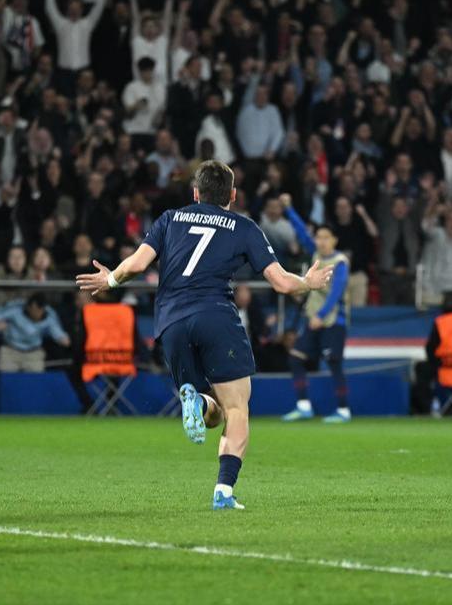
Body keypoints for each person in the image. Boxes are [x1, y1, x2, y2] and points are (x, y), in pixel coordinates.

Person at [76, 160, 331, 510]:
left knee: (213, 411)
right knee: (238, 407)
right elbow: (282, 283)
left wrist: (109, 280)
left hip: (170, 324)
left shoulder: (169, 219)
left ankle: (196, 401)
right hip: (216, 317)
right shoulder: (243, 227)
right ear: (233, 195)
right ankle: (223, 492)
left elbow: (136, 265)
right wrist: (309, 282)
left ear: (196, 194)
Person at [278, 194, 352, 424]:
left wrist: (320, 316)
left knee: (334, 363)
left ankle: (343, 410)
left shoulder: (340, 262)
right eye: (318, 237)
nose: (320, 241)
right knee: (296, 358)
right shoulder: (316, 254)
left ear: (335, 240)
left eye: (325, 237)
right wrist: (289, 209)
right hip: (315, 319)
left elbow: (337, 293)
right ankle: (303, 406)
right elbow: (301, 232)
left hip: (333, 321)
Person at [0, 292, 71, 372]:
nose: (38, 314)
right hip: (10, 351)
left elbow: (58, 333)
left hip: (34, 354)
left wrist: (64, 340)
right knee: (9, 382)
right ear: (28, 307)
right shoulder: (15, 308)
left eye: (40, 311)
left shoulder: (50, 314)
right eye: (35, 310)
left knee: (35, 383)